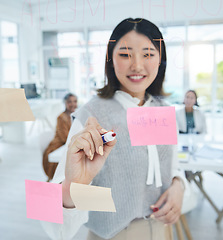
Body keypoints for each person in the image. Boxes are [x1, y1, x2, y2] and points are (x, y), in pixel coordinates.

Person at [41, 18, 187, 240]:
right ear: (111, 59)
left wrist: (179, 185)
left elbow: (173, 166)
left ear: (160, 60)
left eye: (148, 54)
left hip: (161, 230)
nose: (137, 65)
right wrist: (73, 185)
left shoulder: (162, 111)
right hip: (114, 235)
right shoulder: (91, 115)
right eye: (125, 54)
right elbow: (52, 214)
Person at [42, 93, 77, 181]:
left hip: (69, 144)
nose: (72, 104)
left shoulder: (76, 116)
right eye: (69, 102)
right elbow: (65, 137)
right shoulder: (61, 117)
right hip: (58, 145)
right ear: (65, 103)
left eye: (75, 101)